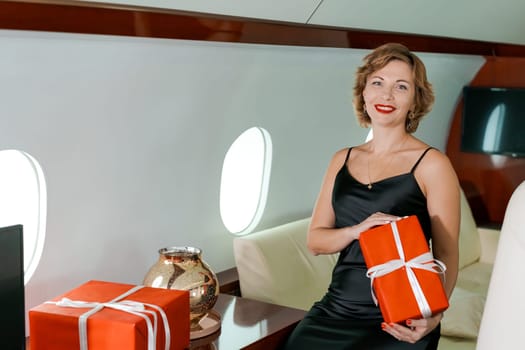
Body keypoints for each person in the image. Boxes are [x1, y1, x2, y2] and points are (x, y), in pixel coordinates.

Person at [282, 43, 460, 350]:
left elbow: (447, 254)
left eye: (400, 87)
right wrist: (356, 230)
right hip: (335, 310)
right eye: (377, 83)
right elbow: (315, 241)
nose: (386, 96)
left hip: (401, 317)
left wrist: (435, 316)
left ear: (415, 99)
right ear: (364, 92)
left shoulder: (433, 164)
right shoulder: (342, 159)